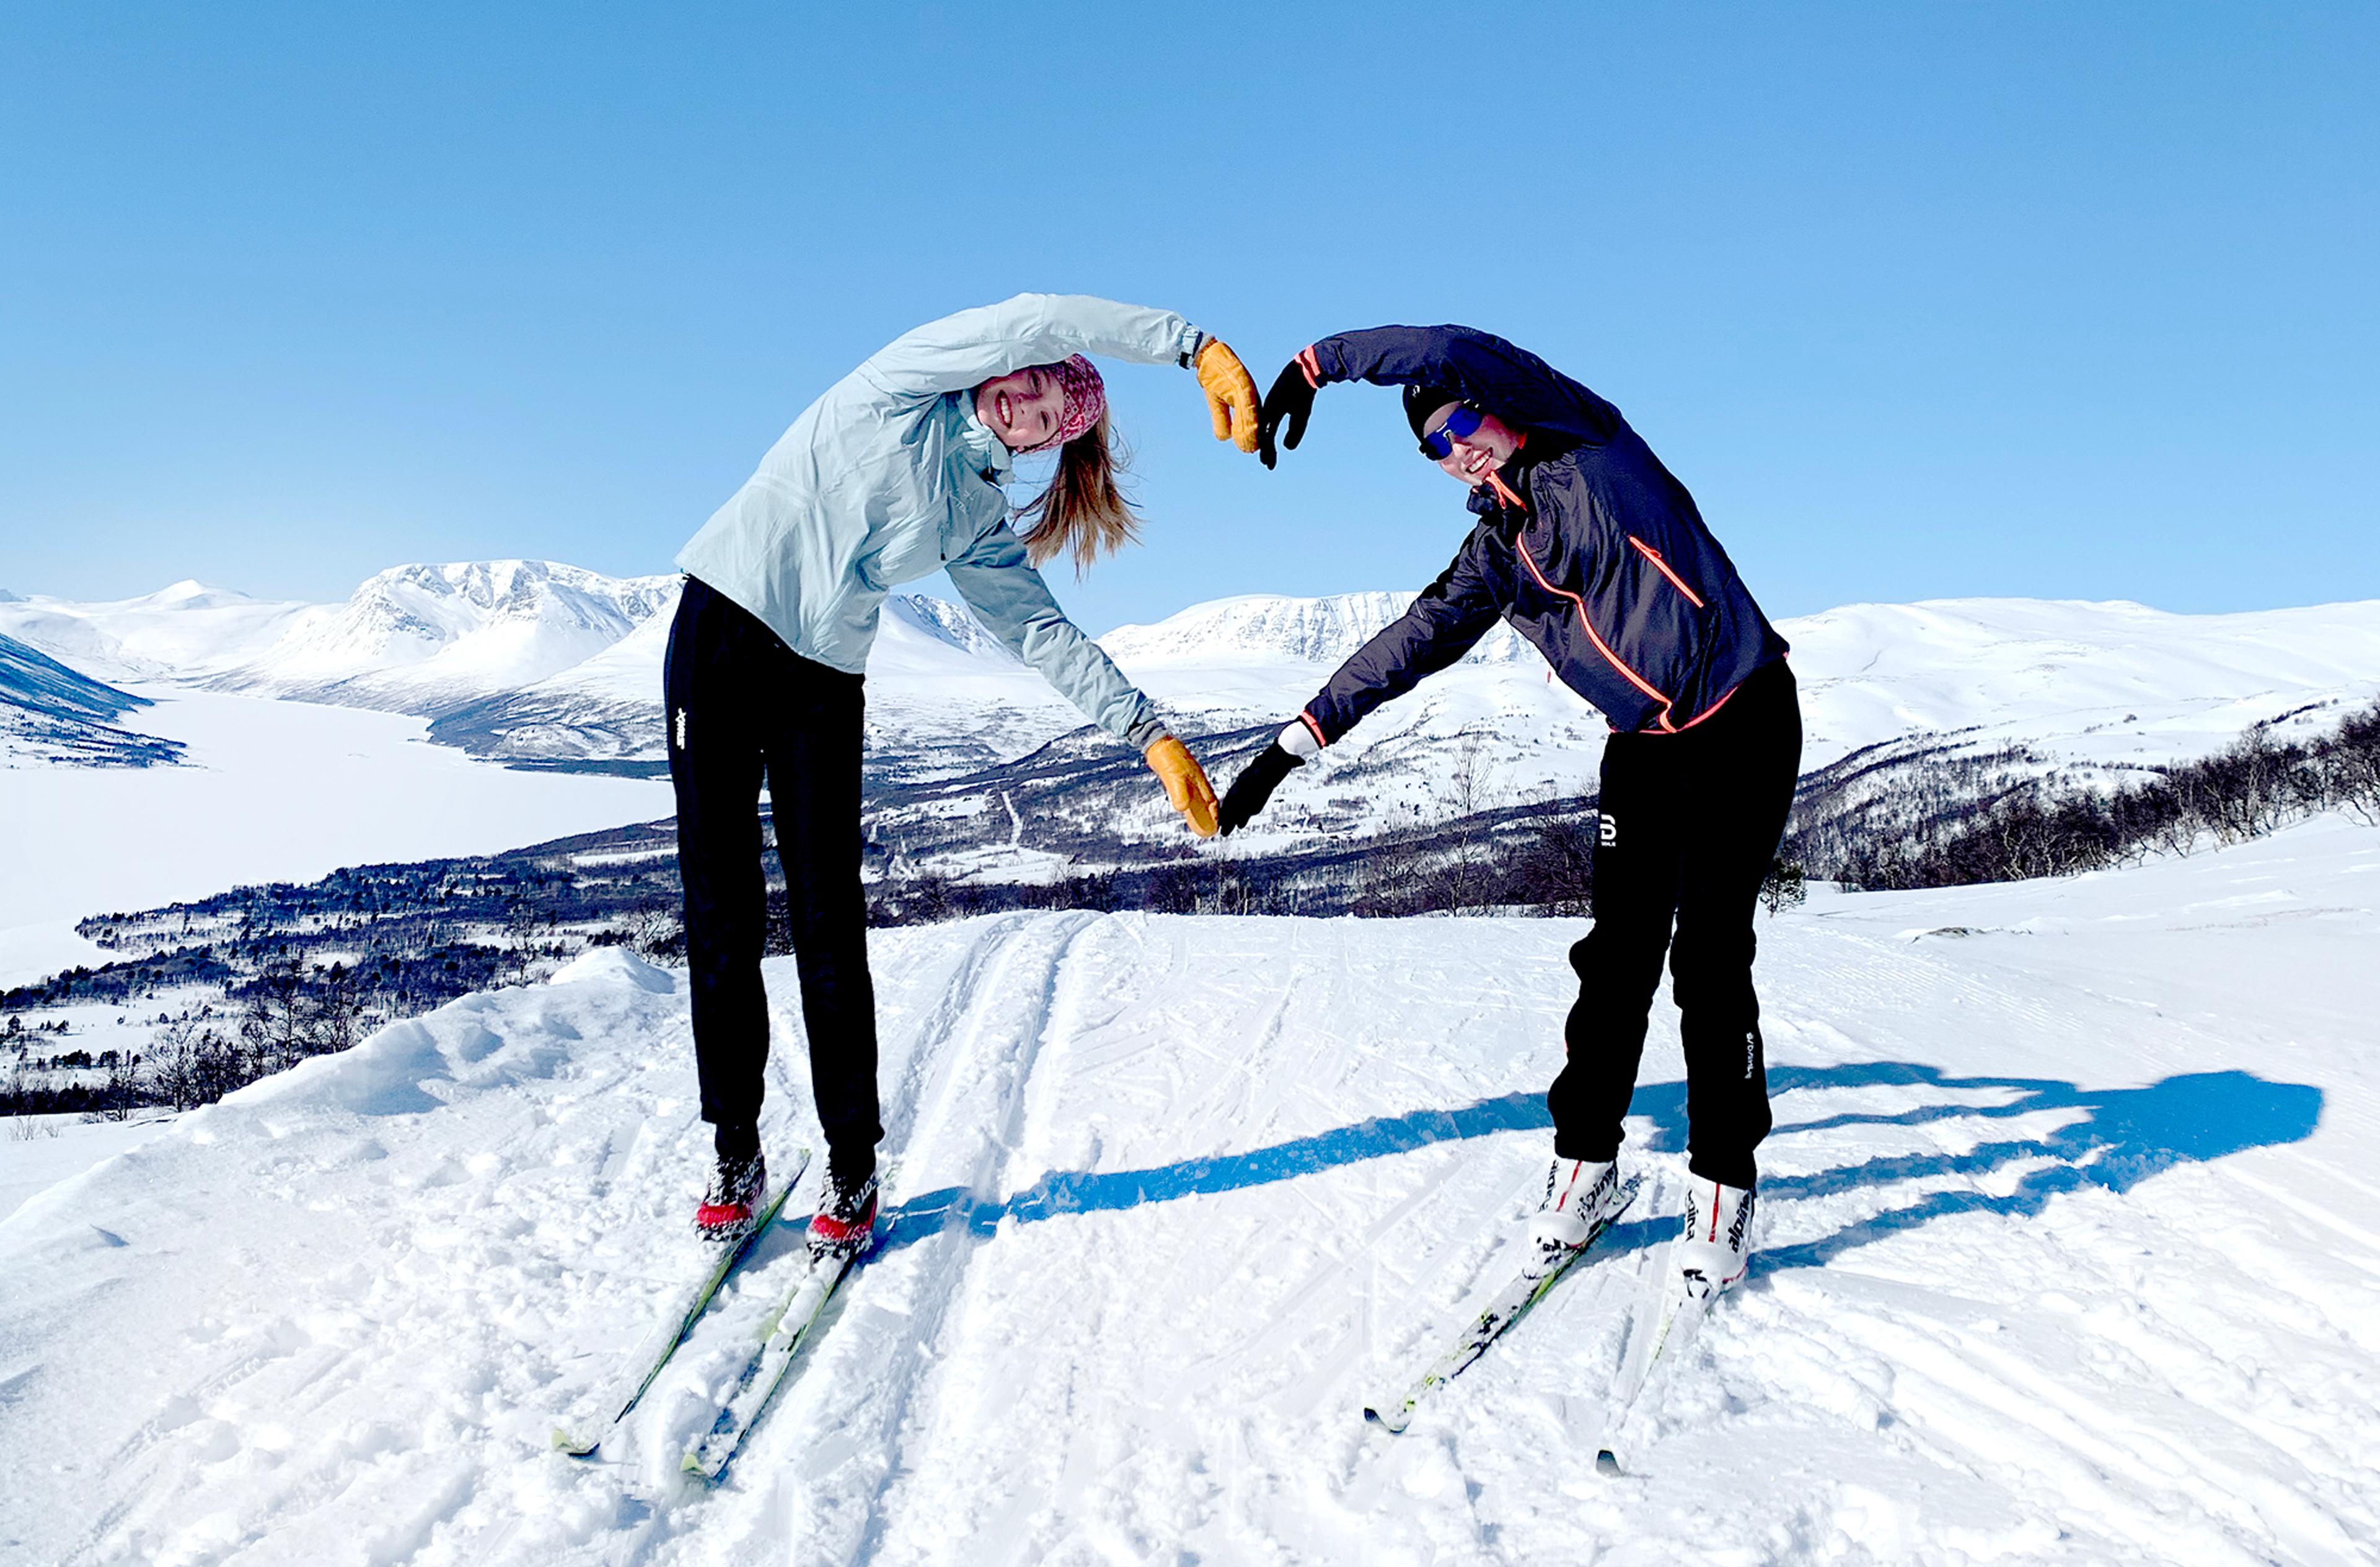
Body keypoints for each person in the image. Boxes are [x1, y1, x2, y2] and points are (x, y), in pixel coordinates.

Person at [668, 294, 1260, 1256]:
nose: (1029, 398)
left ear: (1043, 442)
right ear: (1001, 369)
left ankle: (852, 1163)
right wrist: (1192, 348)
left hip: (821, 680)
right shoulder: (904, 386)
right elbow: (1040, 314)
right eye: (1035, 378)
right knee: (719, 908)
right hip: (719, 630)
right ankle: (736, 1148)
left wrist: (1146, 733)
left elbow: (1039, 631)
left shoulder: (975, 520)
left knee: (826, 917)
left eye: (1052, 411)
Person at [1222, 325, 1800, 1304]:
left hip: (1741, 714)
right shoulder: (1498, 553)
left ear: (1493, 404)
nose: (1458, 448)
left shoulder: (1585, 439)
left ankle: (1723, 1183)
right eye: (1436, 446)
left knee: (1707, 956)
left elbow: (1449, 344)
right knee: (1617, 957)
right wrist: (1291, 746)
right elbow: (1407, 644)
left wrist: (1318, 365)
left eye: (1461, 423)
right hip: (1647, 747)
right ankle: (1588, 1166)